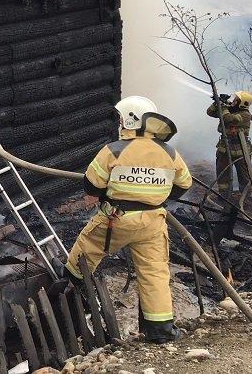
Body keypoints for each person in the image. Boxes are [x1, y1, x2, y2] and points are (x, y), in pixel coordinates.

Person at [65, 96, 192, 344]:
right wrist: (156, 196)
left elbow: (92, 185)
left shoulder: (114, 150)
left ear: (130, 121)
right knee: (155, 272)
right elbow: (184, 184)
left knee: (83, 254)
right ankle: (161, 331)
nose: (120, 123)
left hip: (116, 219)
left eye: (122, 119)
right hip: (153, 221)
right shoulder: (169, 152)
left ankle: (70, 295)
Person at [206, 91, 252, 194]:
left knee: (245, 177)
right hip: (224, 148)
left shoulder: (245, 115)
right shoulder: (228, 110)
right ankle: (224, 197)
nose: (233, 100)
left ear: (242, 103)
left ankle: (246, 199)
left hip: (242, 151)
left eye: (236, 99)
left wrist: (223, 106)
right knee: (223, 176)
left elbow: (228, 119)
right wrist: (217, 103)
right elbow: (210, 112)